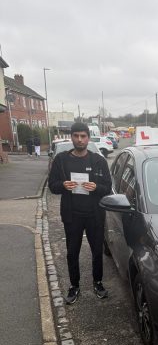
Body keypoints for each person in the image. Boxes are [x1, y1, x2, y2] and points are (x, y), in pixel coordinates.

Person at [48, 122, 112, 304]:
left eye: (83, 136)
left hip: (94, 215)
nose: (80, 139)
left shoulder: (98, 161)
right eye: (76, 136)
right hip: (72, 215)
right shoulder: (61, 160)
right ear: (71, 137)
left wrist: (96, 187)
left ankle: (98, 282)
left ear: (88, 138)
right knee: (72, 252)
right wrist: (63, 185)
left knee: (97, 252)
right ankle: (74, 285)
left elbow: (107, 187)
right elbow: (53, 186)